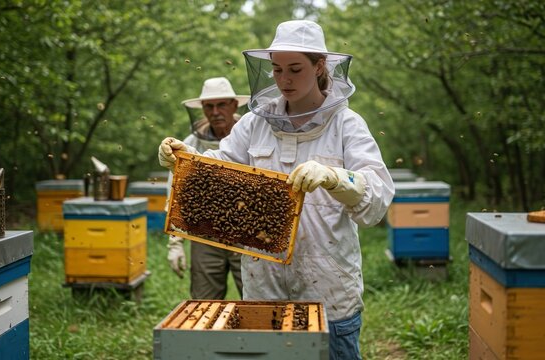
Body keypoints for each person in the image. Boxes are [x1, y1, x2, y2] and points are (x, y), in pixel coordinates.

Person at [159, 20, 394, 359]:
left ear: (319, 66)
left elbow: (377, 198)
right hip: (262, 289)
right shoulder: (255, 123)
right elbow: (220, 166)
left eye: (295, 69)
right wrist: (183, 157)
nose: (284, 80)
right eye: (277, 69)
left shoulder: (346, 124)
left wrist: (335, 177)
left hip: (328, 289)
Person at [165, 77, 249, 300]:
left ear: (234, 105)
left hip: (247, 233)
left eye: (221, 104)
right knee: (204, 301)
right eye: (209, 106)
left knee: (255, 298)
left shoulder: (251, 135)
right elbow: (176, 190)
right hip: (205, 232)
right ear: (202, 109)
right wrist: (175, 242)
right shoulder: (191, 143)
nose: (215, 111)